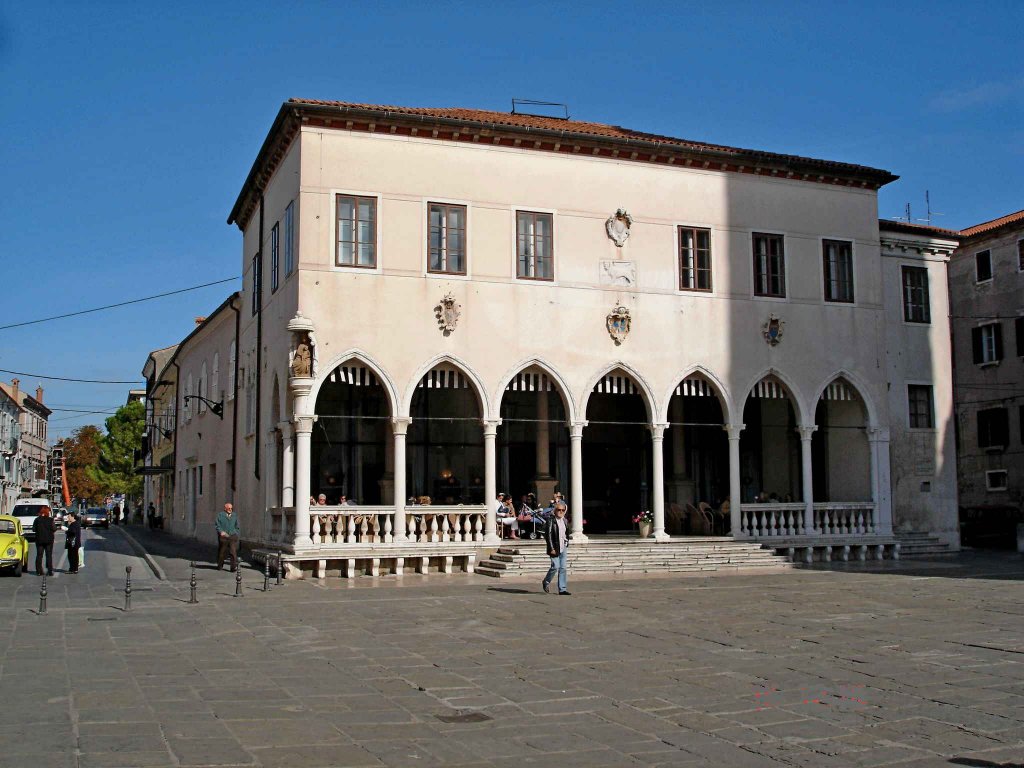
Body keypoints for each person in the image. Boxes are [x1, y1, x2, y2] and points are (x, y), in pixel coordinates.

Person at [542, 501, 570, 595]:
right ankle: (546, 581)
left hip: (563, 546)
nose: (561, 511)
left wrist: (567, 541)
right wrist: (551, 548)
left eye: (562, 510)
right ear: (555, 510)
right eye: (559, 510)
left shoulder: (564, 520)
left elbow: (566, 532)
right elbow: (548, 535)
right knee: (555, 566)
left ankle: (562, 589)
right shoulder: (551, 520)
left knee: (563, 568)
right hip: (554, 547)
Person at [215, 502, 240, 572]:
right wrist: (221, 532)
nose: (230, 510)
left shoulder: (234, 515)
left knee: (233, 552)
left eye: (231, 508)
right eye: (229, 508)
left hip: (232, 536)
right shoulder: (220, 515)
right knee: (222, 552)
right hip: (223, 537)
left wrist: (235, 532)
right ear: (225, 508)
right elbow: (217, 525)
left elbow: (237, 526)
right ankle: (220, 565)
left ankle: (233, 567)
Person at [32, 506, 55, 576]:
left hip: (39, 540)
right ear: (47, 512)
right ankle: (50, 571)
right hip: (49, 540)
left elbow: (33, 529)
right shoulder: (50, 520)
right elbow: (54, 528)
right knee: (49, 556)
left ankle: (39, 571)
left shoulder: (37, 520)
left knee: (39, 555)